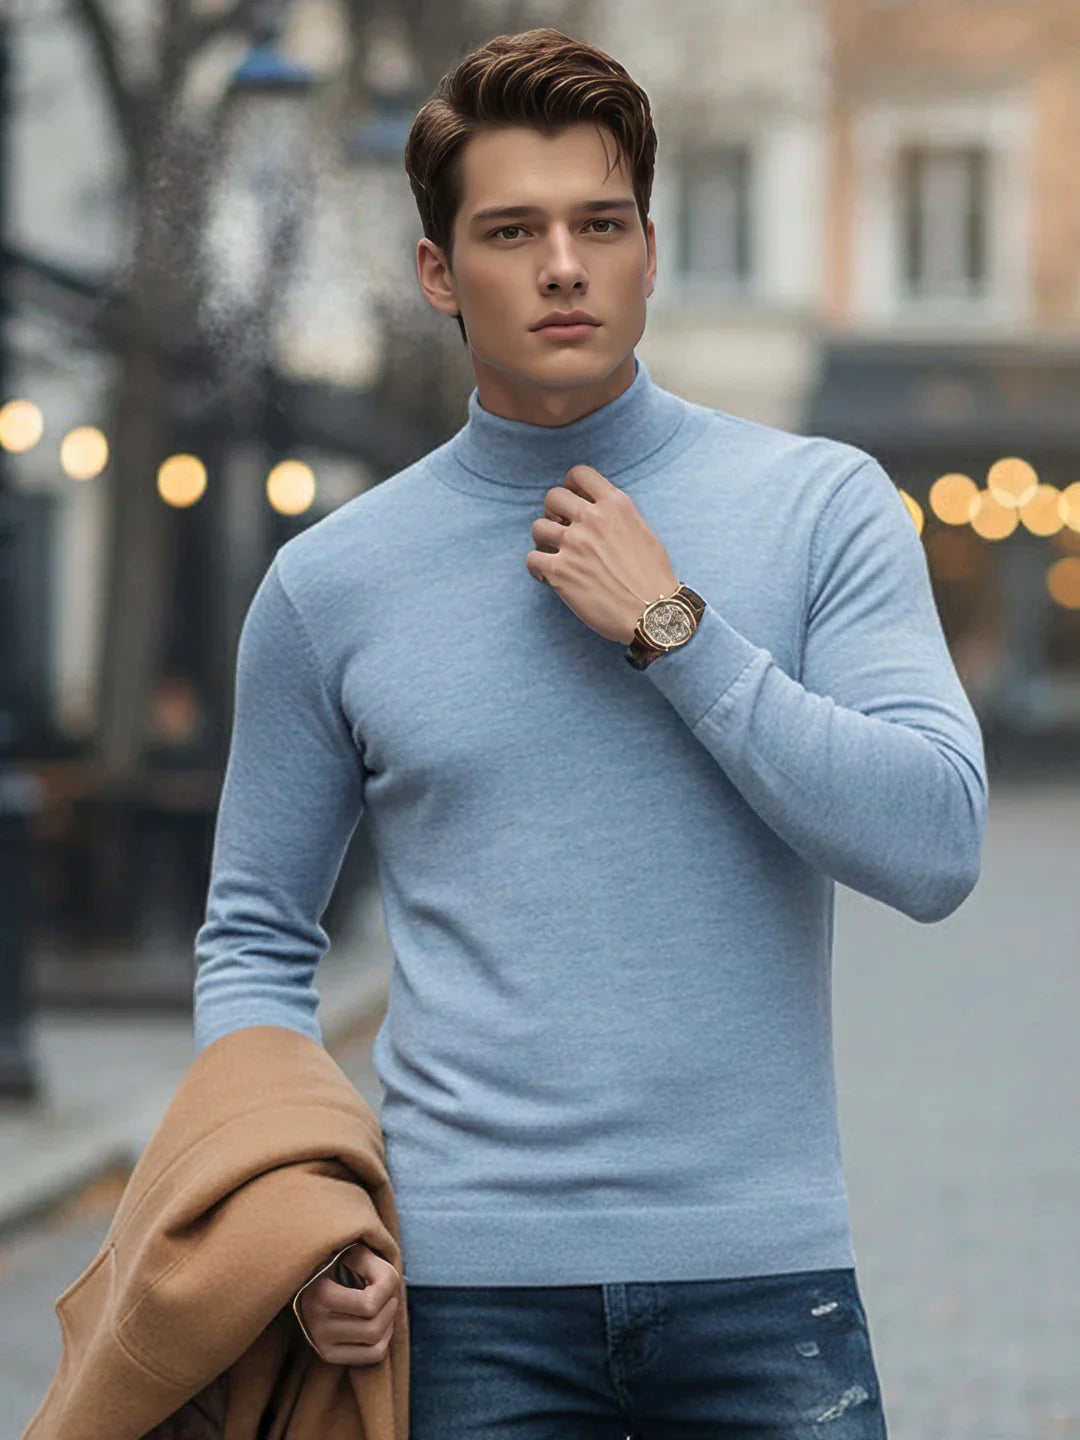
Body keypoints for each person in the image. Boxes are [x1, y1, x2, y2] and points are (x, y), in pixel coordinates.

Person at [192, 26, 987, 1439]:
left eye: (599, 224)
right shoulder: (334, 583)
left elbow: (935, 843)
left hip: (767, 1287)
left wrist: (675, 630)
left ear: (650, 250)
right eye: (513, 229)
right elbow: (255, 934)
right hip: (466, 1303)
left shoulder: (824, 507)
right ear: (441, 272)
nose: (564, 264)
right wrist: (300, 1216)